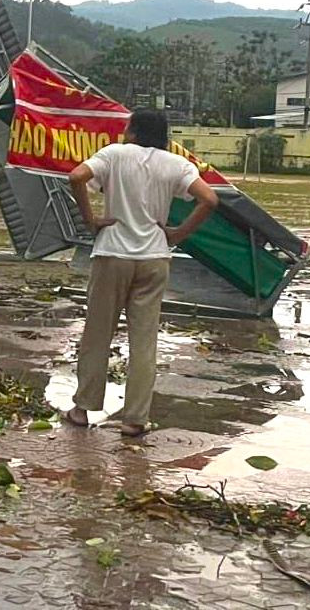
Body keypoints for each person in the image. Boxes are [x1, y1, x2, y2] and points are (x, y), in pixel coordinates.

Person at [63, 110, 218, 436]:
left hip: (112, 255)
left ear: (132, 131)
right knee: (144, 342)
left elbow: (76, 176)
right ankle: (135, 419)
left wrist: (91, 220)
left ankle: (82, 410)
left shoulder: (114, 154)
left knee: (97, 335)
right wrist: (177, 234)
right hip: (154, 258)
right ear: (163, 136)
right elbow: (210, 199)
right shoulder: (177, 164)